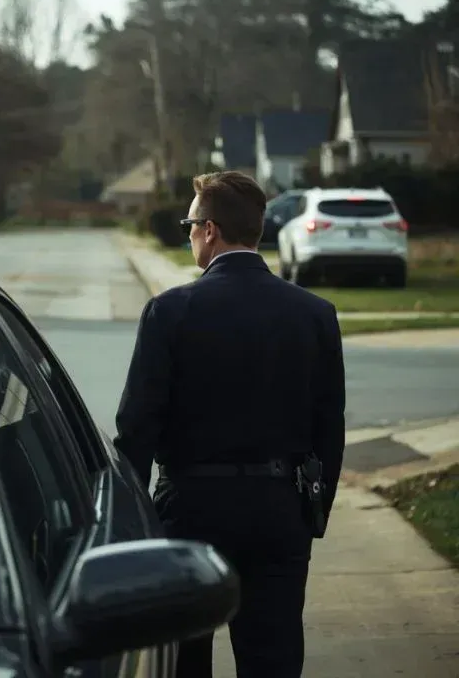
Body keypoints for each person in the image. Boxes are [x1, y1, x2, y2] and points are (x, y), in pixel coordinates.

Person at [114, 171, 345, 678]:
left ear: (211, 230)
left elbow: (137, 427)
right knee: (274, 656)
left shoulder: (170, 312)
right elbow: (330, 425)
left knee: (184, 658)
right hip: (280, 509)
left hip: (191, 511)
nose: (189, 232)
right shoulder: (314, 314)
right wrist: (313, 510)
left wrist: (130, 520)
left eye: (189, 223)